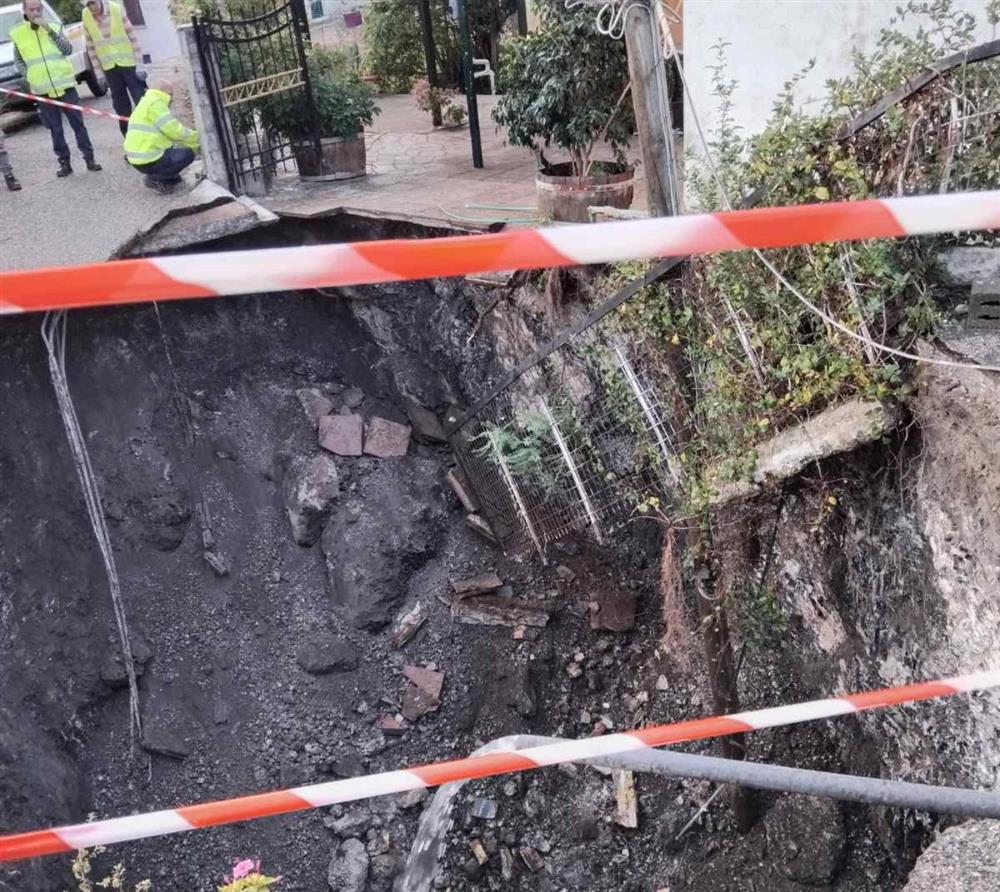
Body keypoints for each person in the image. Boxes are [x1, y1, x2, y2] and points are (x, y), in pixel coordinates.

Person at [10, 0, 102, 177]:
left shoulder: (54, 26)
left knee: (78, 125)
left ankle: (90, 159)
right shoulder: (18, 34)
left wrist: (49, 31)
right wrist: (29, 75)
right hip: (43, 90)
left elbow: (67, 50)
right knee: (55, 129)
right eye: (31, 9)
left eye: (38, 9)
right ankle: (64, 163)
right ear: (24, 10)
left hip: (65, 85)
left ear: (42, 9)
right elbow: (18, 60)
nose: (35, 12)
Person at [81, 0, 146, 137]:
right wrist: (99, 73)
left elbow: (133, 37)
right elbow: (91, 47)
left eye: (93, 3)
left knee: (142, 103)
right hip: (110, 69)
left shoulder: (115, 9)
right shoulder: (86, 15)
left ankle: (154, 139)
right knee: (122, 109)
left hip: (129, 64)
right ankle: (130, 143)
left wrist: (140, 65)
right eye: (88, 5)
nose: (92, 7)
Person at [123, 78, 198, 193]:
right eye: (171, 94)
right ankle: (156, 178)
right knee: (187, 154)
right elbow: (176, 132)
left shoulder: (145, 102)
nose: (172, 99)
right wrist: (199, 138)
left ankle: (167, 177)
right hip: (148, 159)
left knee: (173, 150)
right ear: (166, 93)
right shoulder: (156, 105)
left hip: (138, 158)